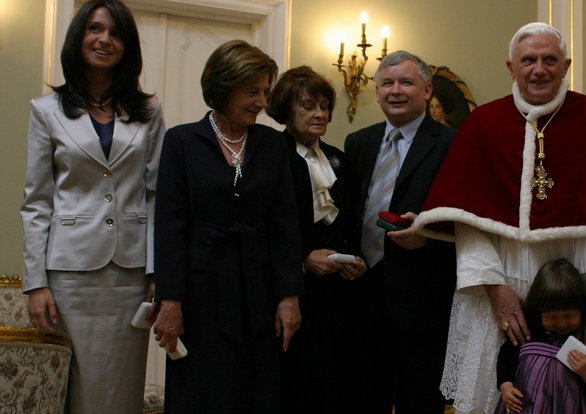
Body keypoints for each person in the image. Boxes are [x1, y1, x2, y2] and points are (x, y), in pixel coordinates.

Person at [413, 22, 586, 414]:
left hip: (583, 280)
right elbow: (468, 221)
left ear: (566, 66)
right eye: (528, 60)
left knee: (585, 392)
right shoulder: (483, 125)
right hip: (504, 275)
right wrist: (494, 289)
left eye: (550, 60)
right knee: (498, 391)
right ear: (511, 67)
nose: (539, 69)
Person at [20, 0, 164, 411]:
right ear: (79, 36)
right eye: (96, 29)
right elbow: (36, 202)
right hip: (68, 274)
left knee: (122, 385)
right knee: (73, 385)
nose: (105, 40)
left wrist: (157, 270)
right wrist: (36, 282)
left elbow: (156, 194)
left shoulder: (149, 112)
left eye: (116, 33)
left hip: (130, 274)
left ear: (127, 46)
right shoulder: (45, 111)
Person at [153, 40, 303, 413]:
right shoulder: (182, 141)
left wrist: (289, 296)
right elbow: (170, 226)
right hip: (200, 292)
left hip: (260, 291)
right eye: (252, 91)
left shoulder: (272, 144)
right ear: (223, 86)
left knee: (257, 392)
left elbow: (286, 224)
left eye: (265, 91)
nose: (262, 102)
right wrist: (169, 300)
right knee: (202, 392)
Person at [342, 50, 457, 413]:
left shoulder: (452, 144)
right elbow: (347, 211)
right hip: (361, 292)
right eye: (387, 83)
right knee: (362, 393)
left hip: (423, 296)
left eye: (406, 82)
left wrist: (429, 233)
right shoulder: (357, 142)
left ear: (426, 90)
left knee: (419, 400)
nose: (396, 91)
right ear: (376, 92)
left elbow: (467, 216)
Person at [266, 65, 366, 412]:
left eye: (323, 105)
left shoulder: (339, 158)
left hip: (339, 296)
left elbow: (352, 219)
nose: (320, 114)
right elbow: (265, 229)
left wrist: (354, 259)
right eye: (308, 106)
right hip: (291, 293)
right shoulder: (270, 155)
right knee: (294, 387)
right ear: (285, 110)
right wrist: (303, 261)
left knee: (336, 386)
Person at [495, 258, 586, 414]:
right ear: (539, 312)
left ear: (582, 310)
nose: (561, 324)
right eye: (552, 317)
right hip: (525, 406)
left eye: (569, 315)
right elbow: (506, 358)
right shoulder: (527, 333)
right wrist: (505, 386)